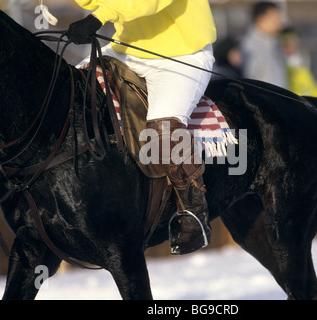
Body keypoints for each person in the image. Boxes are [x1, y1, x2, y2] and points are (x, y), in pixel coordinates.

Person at [66, 0, 217, 255]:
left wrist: (99, 17)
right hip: (128, 50)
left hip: (180, 54)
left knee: (164, 129)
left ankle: (194, 212)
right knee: (72, 91)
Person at [240, 1, 288, 88]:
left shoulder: (274, 44)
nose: (280, 21)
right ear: (260, 19)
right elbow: (249, 81)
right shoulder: (249, 47)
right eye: (275, 18)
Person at [280, 27, 317, 97]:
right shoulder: (279, 66)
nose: (290, 45)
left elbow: (313, 89)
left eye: (292, 40)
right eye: (286, 41)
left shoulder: (301, 65)